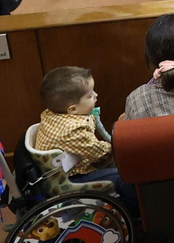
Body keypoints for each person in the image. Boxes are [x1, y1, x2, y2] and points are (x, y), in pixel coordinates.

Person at [33, 67, 136, 212]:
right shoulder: (73, 130)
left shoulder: (52, 113)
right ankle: (137, 213)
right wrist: (124, 142)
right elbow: (100, 153)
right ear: (73, 109)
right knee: (126, 176)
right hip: (73, 178)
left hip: (63, 171)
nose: (96, 95)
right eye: (90, 95)